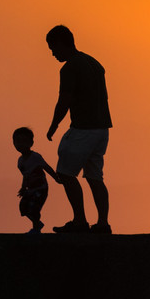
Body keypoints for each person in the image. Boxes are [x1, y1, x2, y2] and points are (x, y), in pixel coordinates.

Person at [45, 25, 113, 234]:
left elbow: (65, 99)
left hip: (83, 129)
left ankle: (80, 221)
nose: (53, 53)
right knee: (94, 176)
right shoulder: (94, 63)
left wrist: (54, 125)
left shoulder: (70, 68)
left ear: (61, 43)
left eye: (53, 48)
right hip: (102, 129)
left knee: (65, 173)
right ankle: (102, 223)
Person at [13, 126, 59, 234]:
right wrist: (23, 188)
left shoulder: (35, 157)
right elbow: (25, 175)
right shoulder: (20, 161)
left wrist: (56, 178)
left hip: (41, 188)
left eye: (24, 141)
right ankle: (37, 223)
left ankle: (36, 228)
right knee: (23, 206)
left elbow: (46, 167)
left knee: (34, 208)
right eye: (17, 142)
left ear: (31, 143)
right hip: (30, 189)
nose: (20, 144)